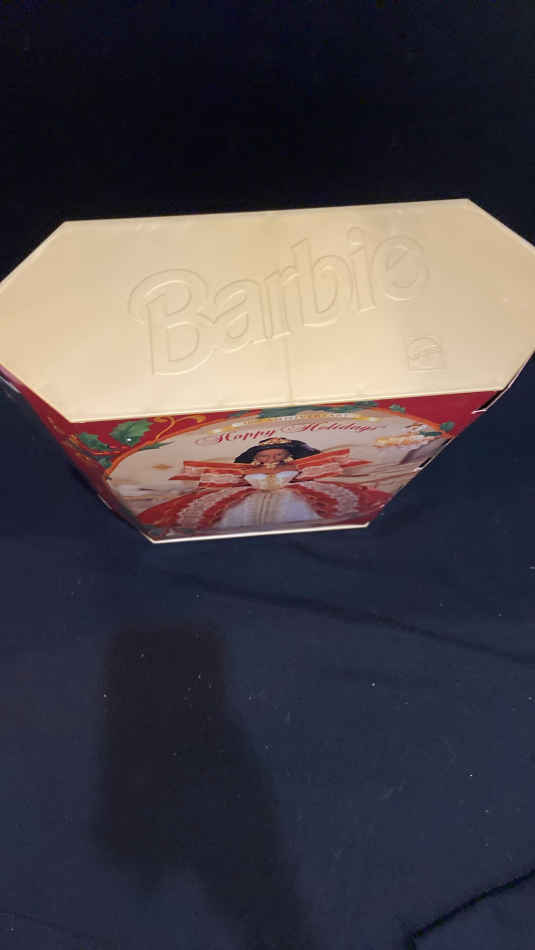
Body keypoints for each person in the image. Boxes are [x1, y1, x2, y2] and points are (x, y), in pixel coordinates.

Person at [138, 441, 389, 538]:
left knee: (329, 505)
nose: (271, 459)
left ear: (287, 455)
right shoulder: (246, 471)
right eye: (265, 456)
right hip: (248, 495)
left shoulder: (297, 468)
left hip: (295, 493)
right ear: (256, 458)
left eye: (278, 455)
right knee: (214, 512)